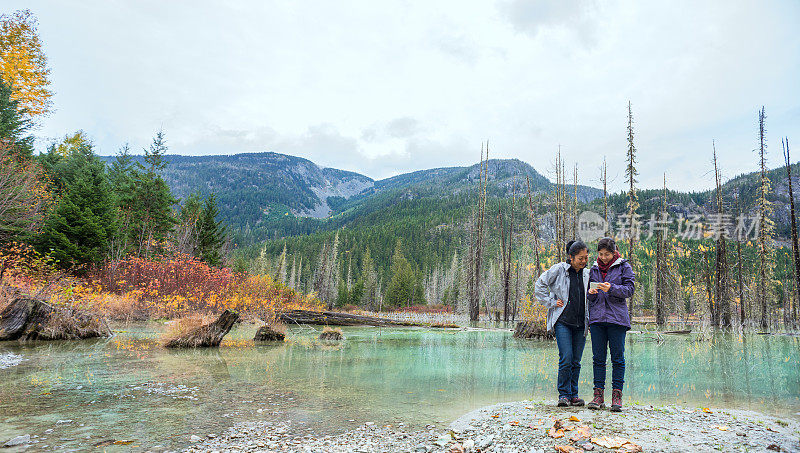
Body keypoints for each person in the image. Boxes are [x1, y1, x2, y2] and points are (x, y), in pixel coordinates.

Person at [534, 240, 590, 407]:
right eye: (580, 258)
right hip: (563, 322)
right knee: (566, 358)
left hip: (581, 323)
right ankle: (564, 395)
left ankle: (574, 395)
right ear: (571, 258)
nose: (584, 261)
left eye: (586, 257)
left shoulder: (587, 274)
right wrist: (551, 302)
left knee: (576, 361)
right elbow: (540, 285)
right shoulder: (559, 269)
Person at [586, 237, 635, 412]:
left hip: (617, 320)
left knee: (618, 359)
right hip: (597, 319)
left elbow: (630, 289)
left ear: (614, 253)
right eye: (600, 254)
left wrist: (612, 288)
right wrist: (591, 293)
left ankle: (617, 397)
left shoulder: (624, 266)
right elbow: (589, 296)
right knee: (598, 359)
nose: (604, 257)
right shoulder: (593, 268)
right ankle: (598, 396)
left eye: (607, 254)